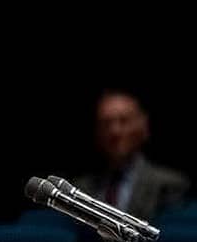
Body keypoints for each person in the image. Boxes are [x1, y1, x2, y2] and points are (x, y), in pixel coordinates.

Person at [71, 89, 188, 222]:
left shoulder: (168, 186)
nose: (115, 131)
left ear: (144, 127)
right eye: (106, 123)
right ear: (97, 133)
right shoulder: (81, 188)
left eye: (124, 121)